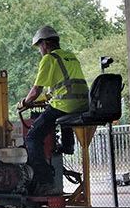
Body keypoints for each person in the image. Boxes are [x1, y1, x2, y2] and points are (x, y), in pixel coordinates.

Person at [18, 26, 89, 195]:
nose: (40, 51)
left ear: (46, 43)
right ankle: (67, 146)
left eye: (40, 46)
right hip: (82, 105)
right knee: (61, 116)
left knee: (33, 138)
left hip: (65, 105)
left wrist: (24, 103)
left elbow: (36, 91)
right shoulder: (70, 56)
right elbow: (58, 89)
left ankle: (45, 182)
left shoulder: (49, 59)